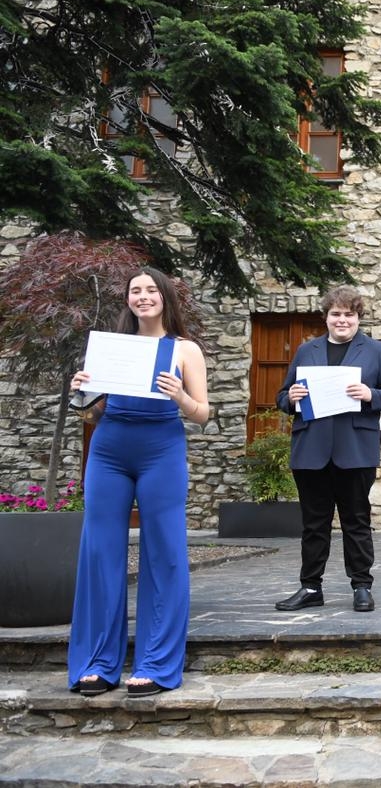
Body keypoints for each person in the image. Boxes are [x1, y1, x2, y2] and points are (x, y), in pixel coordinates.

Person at [67, 267, 210, 698]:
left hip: (161, 452)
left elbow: (202, 413)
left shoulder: (185, 350)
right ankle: (97, 663)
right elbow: (91, 414)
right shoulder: (112, 348)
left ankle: (155, 663)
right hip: (109, 451)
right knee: (100, 550)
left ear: (165, 297)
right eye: (135, 291)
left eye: (150, 290)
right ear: (128, 300)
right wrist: (80, 393)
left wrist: (179, 395)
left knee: (164, 549)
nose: (143, 296)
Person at [273, 286, 381, 613]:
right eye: (336, 314)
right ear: (326, 317)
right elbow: (282, 396)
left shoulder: (374, 351)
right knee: (313, 524)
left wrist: (370, 394)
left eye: (349, 314)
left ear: (358, 317)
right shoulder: (307, 350)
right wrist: (290, 399)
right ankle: (310, 587)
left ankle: (361, 586)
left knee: (356, 521)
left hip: (355, 448)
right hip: (311, 449)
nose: (342, 320)